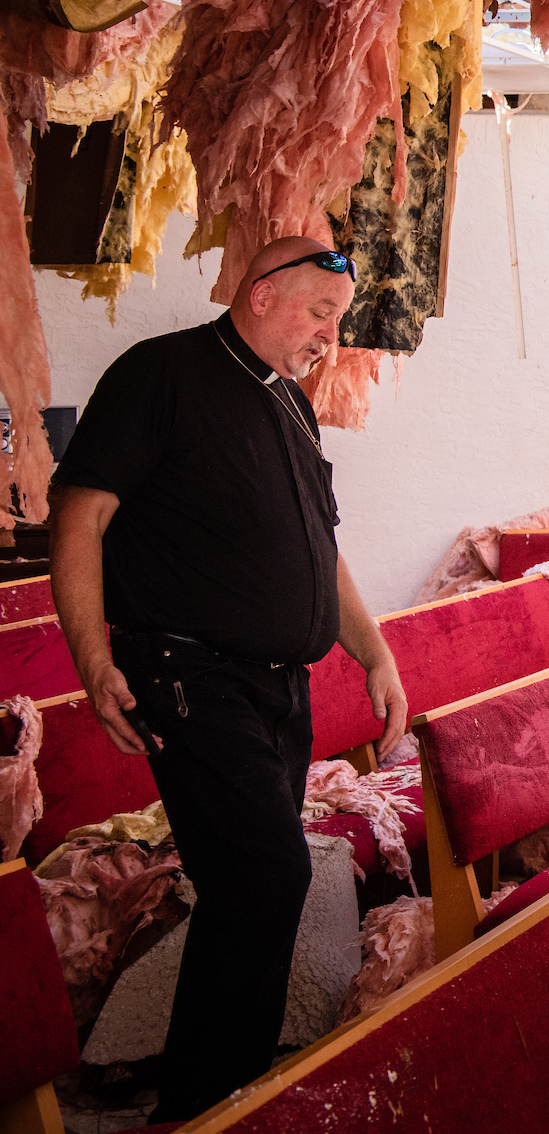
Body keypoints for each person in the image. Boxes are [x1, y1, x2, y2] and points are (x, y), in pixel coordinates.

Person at [50, 236, 408, 1120]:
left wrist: (374, 651)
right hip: (182, 672)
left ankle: (218, 1097)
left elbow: (322, 554)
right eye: (319, 314)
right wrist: (93, 659)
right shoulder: (160, 376)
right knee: (264, 878)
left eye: (338, 319)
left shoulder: (292, 404)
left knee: (249, 888)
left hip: (276, 689)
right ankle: (209, 1106)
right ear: (259, 295)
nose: (331, 335)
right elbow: (80, 514)